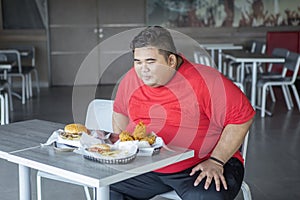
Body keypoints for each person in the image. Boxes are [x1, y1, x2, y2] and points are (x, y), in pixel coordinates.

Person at [111, 26, 255, 200]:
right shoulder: (131, 79)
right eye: (138, 62)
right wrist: (123, 150)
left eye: (150, 61)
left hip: (202, 164)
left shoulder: (205, 79)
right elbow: (119, 111)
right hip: (150, 166)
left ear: (171, 61)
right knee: (109, 187)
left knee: (206, 196)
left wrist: (217, 160)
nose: (143, 69)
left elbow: (242, 116)